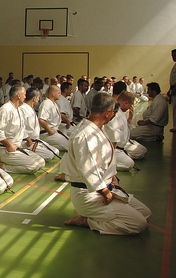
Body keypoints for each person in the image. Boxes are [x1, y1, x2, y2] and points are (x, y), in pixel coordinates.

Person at [61, 93, 151, 235]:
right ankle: (87, 221)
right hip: (90, 194)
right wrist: (105, 193)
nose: (114, 116)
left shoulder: (98, 128)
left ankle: (96, 216)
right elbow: (88, 171)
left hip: (107, 187)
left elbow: (105, 160)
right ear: (108, 113)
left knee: (146, 214)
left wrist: (113, 177)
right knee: (138, 224)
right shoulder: (85, 135)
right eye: (114, 113)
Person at [0, 85, 45, 174]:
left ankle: (6, 164)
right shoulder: (6, 109)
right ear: (18, 96)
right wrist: (9, 145)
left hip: (17, 148)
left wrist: (21, 141)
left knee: (41, 162)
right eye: (24, 94)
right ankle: (2, 167)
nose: (25, 97)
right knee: (33, 166)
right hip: (5, 150)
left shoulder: (18, 109)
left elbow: (21, 129)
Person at [104, 91, 146, 171]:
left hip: (123, 144)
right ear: (126, 103)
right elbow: (114, 135)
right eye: (130, 105)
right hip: (114, 147)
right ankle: (103, 163)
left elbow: (124, 130)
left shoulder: (121, 112)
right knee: (129, 164)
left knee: (142, 151)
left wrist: (130, 118)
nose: (130, 107)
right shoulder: (115, 113)